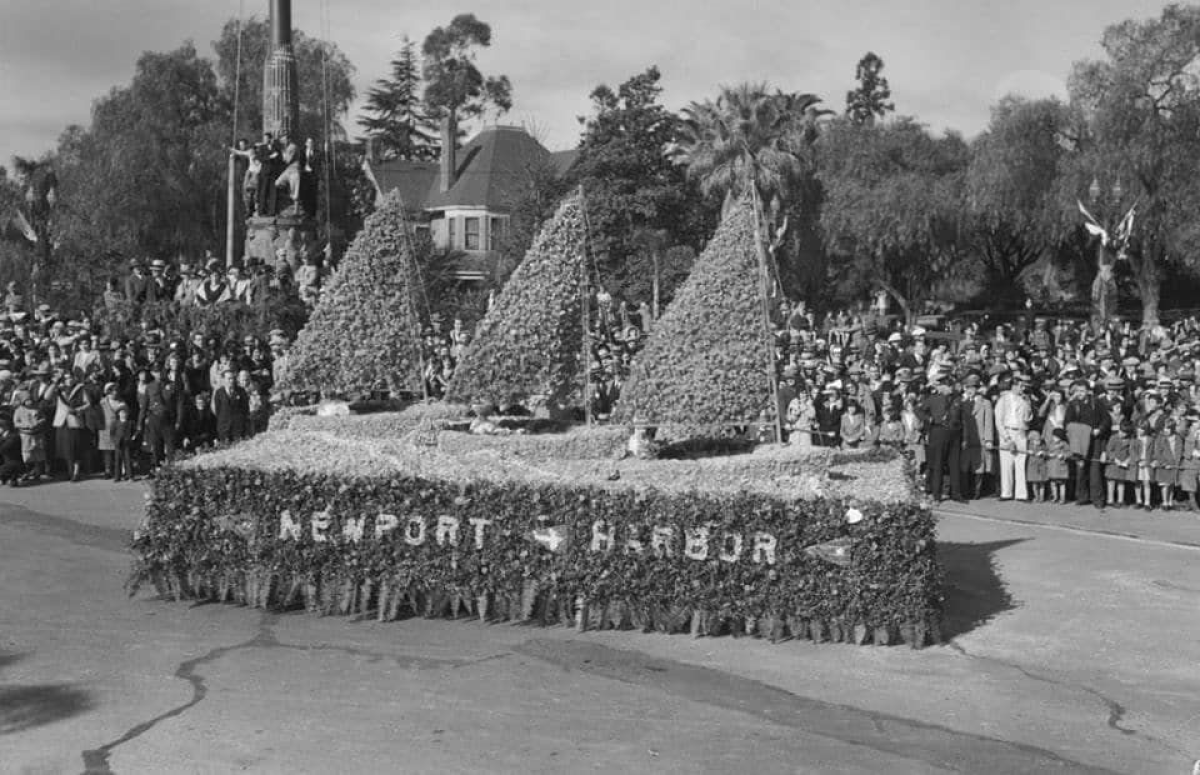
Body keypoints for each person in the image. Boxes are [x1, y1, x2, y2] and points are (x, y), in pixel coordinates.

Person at [919, 371, 963, 503]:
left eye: (950, 384)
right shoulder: (933, 398)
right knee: (937, 464)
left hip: (954, 433)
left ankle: (956, 493)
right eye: (946, 385)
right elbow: (918, 410)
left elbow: (962, 417)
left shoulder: (956, 398)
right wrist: (929, 419)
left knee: (954, 464)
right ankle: (936, 495)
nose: (950, 387)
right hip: (938, 432)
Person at [994, 374, 1033, 501]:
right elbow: (998, 421)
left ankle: (1021, 494)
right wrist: (1006, 438)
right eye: (1020, 386)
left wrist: (1027, 403)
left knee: (1020, 463)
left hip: (1021, 432)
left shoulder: (1024, 400)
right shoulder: (1003, 400)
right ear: (1014, 386)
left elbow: (1028, 418)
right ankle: (1006, 492)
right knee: (1006, 463)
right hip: (1007, 431)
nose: (1023, 388)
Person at [959, 373, 994, 499]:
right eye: (968, 387)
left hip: (980, 439)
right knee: (964, 466)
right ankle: (965, 491)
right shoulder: (961, 402)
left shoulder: (986, 403)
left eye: (973, 388)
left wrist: (989, 439)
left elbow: (988, 422)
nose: (970, 390)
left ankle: (976, 492)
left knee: (978, 467)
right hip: (965, 439)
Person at [1152, 418, 1184, 511]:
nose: (1165, 430)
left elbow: (1180, 451)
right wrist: (1163, 463)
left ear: (1173, 428)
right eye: (1164, 428)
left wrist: (1176, 463)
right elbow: (1157, 452)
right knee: (1164, 485)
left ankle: (1170, 501)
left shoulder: (1178, 438)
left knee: (1171, 484)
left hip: (1174, 464)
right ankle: (1164, 502)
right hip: (1164, 465)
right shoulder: (1160, 438)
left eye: (1168, 428)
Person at [1104, 421, 1132, 508]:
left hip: (1123, 465)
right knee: (1111, 482)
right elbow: (1109, 450)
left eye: (1123, 432)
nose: (1121, 433)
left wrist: (1128, 460)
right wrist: (1114, 459)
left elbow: (1131, 452)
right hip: (1113, 464)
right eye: (1120, 431)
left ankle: (1120, 500)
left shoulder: (1130, 440)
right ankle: (1110, 500)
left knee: (1121, 483)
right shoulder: (1113, 437)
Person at [1047, 427, 1071, 503]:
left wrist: (1063, 455)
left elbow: (1069, 453)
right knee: (1053, 483)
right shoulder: (1050, 443)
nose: (1055, 438)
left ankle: (1062, 498)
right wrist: (1049, 454)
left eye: (1056, 437)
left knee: (1062, 484)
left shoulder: (1064, 444)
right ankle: (1055, 497)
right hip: (1052, 466)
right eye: (1054, 436)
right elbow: (1047, 451)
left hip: (1061, 467)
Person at [0, 416, 24, 485]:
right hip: (5, 463)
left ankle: (13, 477)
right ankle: (5, 478)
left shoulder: (14, 436)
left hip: (14, 464)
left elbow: (3, 449)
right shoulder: (4, 436)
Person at [1026, 430, 1048, 502]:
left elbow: (1047, 452)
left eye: (1039, 440)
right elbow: (1026, 451)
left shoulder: (1043, 445)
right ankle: (1036, 496)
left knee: (1042, 483)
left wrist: (1043, 452)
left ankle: (1041, 497)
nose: (1038, 442)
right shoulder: (1029, 445)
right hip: (1033, 466)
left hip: (1041, 466)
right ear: (1032, 440)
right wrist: (1028, 452)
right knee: (1034, 483)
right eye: (1036, 440)